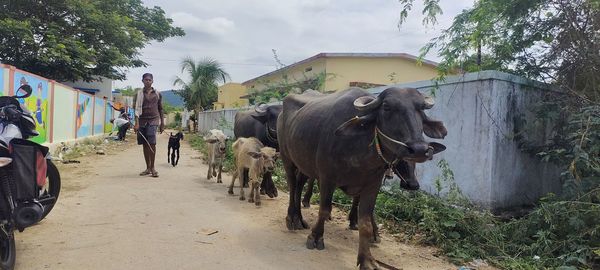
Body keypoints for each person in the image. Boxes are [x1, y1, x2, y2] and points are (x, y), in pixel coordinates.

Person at [133, 73, 164, 178]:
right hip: (142, 121)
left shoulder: (158, 94)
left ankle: (153, 168)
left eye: (149, 80)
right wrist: (136, 123)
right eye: (146, 80)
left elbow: (160, 109)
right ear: (142, 81)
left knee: (152, 143)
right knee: (145, 144)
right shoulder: (138, 94)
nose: (148, 81)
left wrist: (162, 123)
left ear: (152, 81)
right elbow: (136, 109)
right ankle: (148, 167)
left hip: (153, 120)